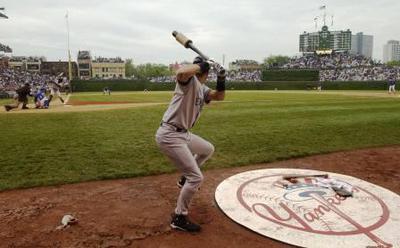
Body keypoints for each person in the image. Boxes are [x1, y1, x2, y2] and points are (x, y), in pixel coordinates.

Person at [155, 56, 226, 232]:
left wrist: (222, 78)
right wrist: (206, 64)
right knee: (197, 177)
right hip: (170, 134)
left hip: (183, 134)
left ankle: (184, 177)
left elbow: (219, 96)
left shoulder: (202, 88)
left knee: (208, 149)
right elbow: (181, 72)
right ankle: (179, 217)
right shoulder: (187, 81)